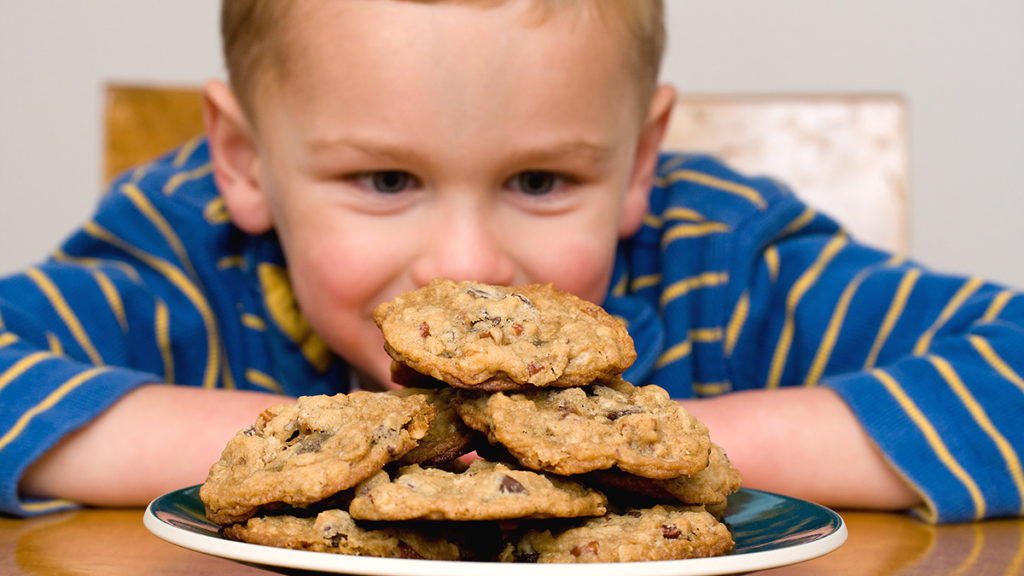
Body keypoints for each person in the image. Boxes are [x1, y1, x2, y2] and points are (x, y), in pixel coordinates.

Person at [1, 0, 1021, 524]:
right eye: (385, 181)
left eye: (538, 181)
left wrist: (637, 448)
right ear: (244, 163)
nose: (466, 267)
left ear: (637, 166)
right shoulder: (186, 257)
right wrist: (327, 449)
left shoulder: (719, 258)